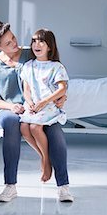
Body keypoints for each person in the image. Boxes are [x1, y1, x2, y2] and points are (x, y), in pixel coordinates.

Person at [0, 21, 74, 202]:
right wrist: (12, 107)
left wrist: (61, 97)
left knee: (55, 130)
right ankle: (10, 186)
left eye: (13, 38)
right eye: (8, 43)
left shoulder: (31, 52)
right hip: (9, 109)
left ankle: (63, 186)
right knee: (11, 122)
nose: (14, 44)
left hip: (38, 108)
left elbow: (52, 75)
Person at [19, 29, 69, 183]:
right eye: (34, 41)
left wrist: (44, 101)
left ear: (49, 46)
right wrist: (30, 102)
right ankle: (44, 156)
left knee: (34, 127)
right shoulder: (28, 66)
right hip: (33, 105)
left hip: (48, 105)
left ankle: (46, 162)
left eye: (41, 41)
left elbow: (62, 88)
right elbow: (26, 90)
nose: (36, 44)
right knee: (24, 128)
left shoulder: (56, 67)